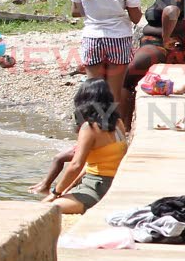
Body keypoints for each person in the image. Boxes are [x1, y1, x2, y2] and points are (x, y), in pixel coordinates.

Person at [72, 0, 142, 105]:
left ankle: (90, 127)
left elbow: (75, 11)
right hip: (118, 38)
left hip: (92, 37)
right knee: (113, 95)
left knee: (93, 93)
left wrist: (95, 12)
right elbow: (136, 18)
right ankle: (112, 130)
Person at [44, 78, 127, 215]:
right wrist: (68, 188)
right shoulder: (118, 123)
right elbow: (89, 166)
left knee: (48, 209)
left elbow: (76, 165)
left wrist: (55, 193)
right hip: (113, 182)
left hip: (99, 187)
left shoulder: (89, 128)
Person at [124, 0, 185, 126]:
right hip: (154, 45)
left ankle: (124, 125)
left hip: (160, 48)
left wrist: (166, 38)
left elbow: (172, 12)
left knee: (126, 76)